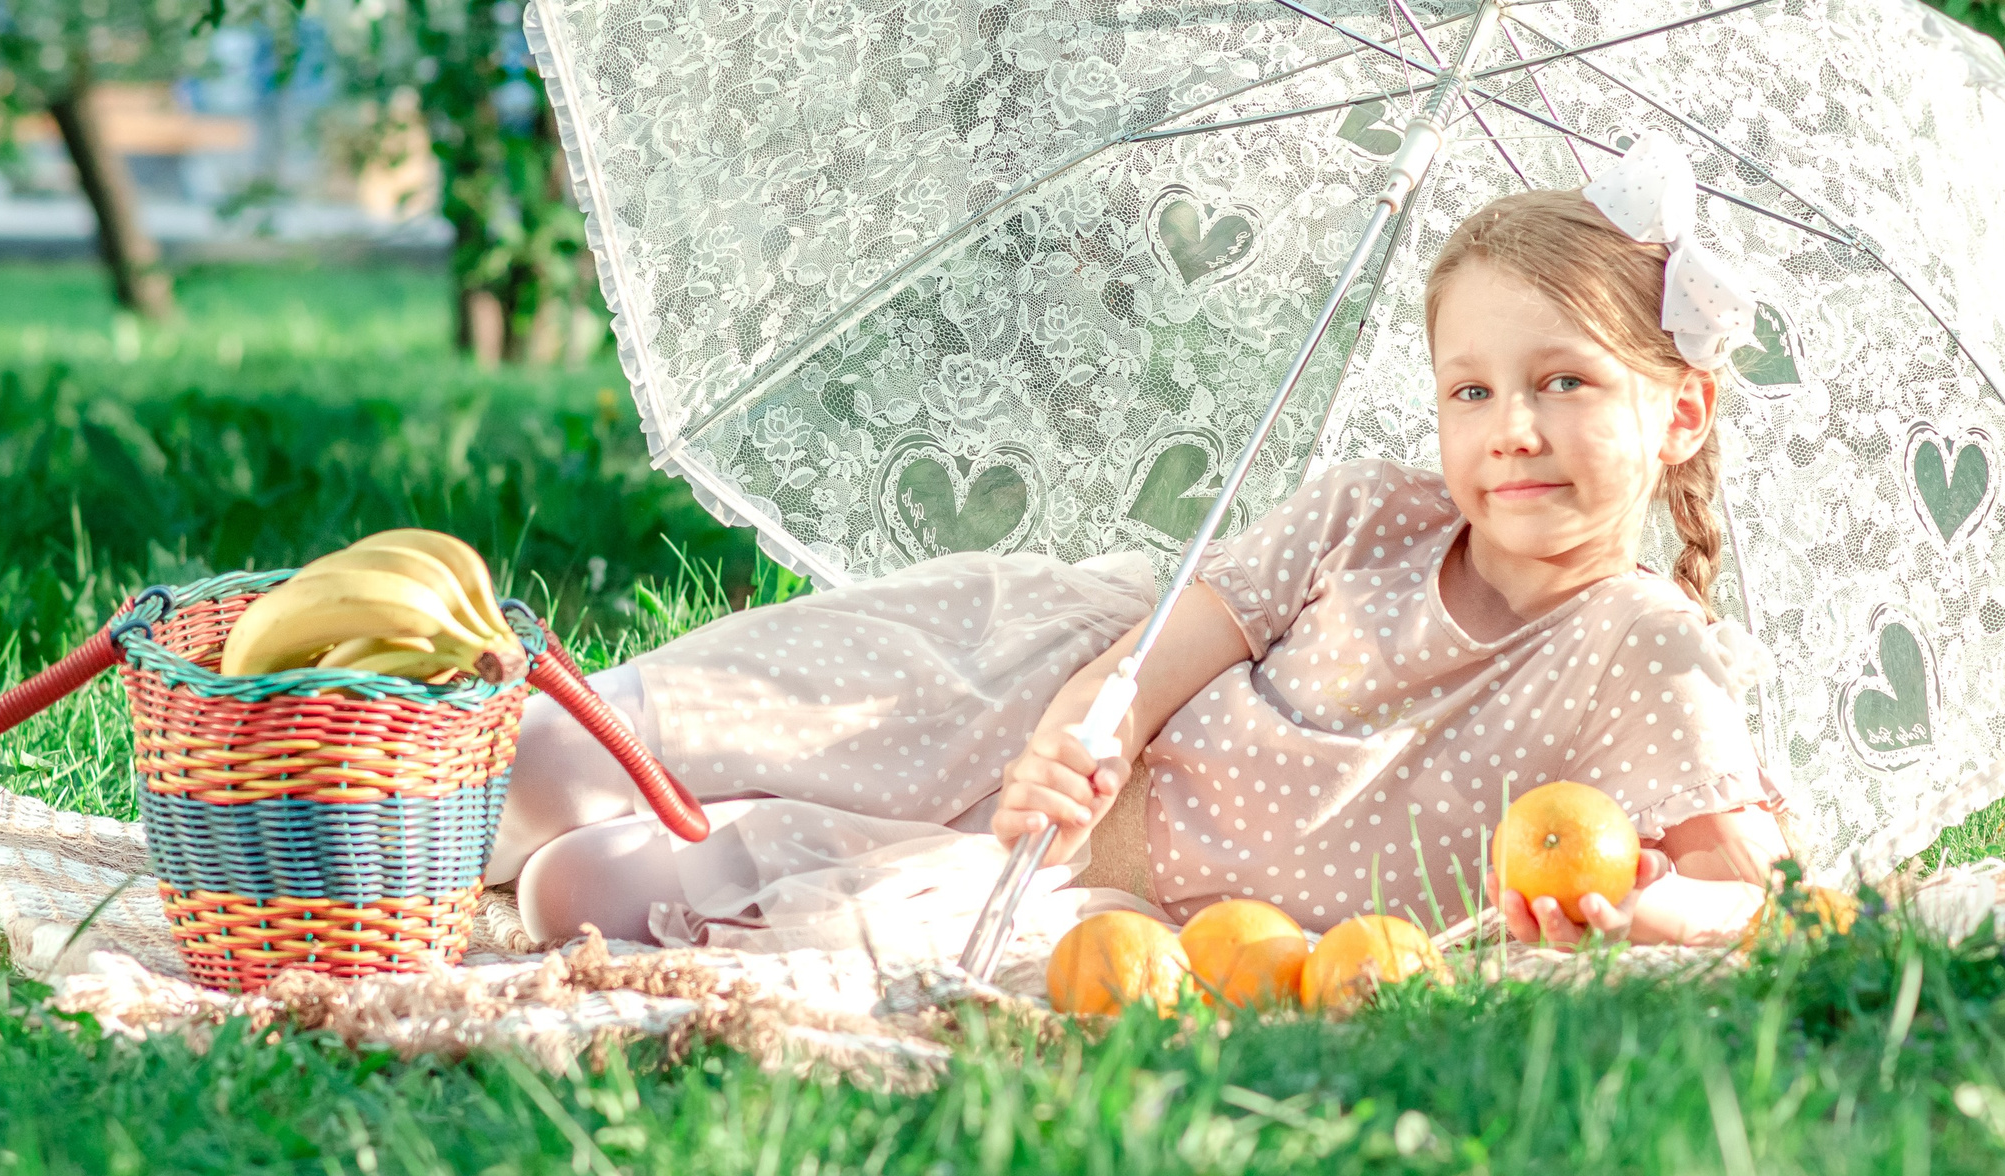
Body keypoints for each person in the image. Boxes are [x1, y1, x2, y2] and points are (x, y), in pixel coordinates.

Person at [486, 146, 1789, 958]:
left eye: (1563, 383)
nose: (1512, 433)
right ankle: (312, 814)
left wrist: (1629, 908)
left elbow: (1743, 891)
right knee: (547, 763)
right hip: (1027, 700)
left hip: (1082, 888)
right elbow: (1196, 625)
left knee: (575, 893)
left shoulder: (1643, 648)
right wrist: (1082, 727)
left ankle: (425, 861)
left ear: (1679, 411)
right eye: (1472, 391)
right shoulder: (1381, 514)